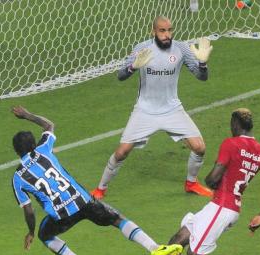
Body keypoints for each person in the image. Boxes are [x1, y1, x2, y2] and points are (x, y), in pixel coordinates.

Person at [11, 106, 182, 255]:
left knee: (44, 235)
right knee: (117, 219)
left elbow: (29, 211)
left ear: (17, 152)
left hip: (61, 215)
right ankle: (154, 247)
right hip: (83, 200)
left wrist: (31, 232)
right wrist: (27, 115)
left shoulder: (17, 178)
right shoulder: (43, 149)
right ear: (34, 144)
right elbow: (49, 125)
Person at [91, 16, 214, 199]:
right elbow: (121, 76)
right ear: (153, 31)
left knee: (199, 147)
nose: (167, 35)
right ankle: (100, 188)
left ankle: (191, 183)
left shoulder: (180, 48)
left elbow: (201, 77)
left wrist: (203, 64)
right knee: (122, 151)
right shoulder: (142, 49)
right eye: (162, 31)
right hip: (145, 110)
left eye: (169, 30)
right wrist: (133, 67)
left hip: (172, 109)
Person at [153, 108, 260, 255]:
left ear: (235, 124)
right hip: (225, 207)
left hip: (222, 207)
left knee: (195, 252)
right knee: (178, 239)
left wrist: (211, 178)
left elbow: (212, 179)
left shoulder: (230, 144)